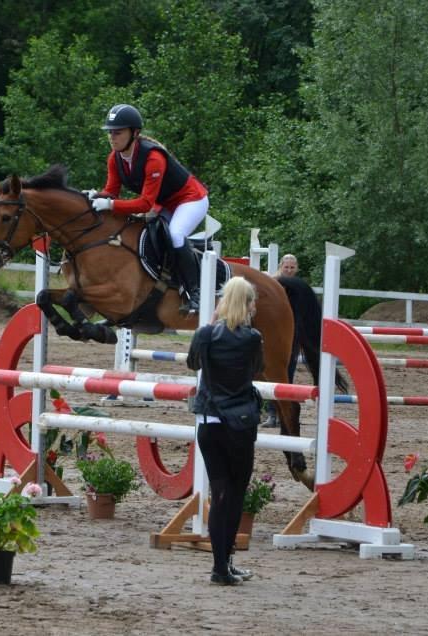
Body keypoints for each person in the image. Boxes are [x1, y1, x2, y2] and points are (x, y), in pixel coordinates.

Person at [89, 104, 209, 314]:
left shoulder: (153, 158)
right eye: (110, 132)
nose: (112, 137)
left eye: (118, 132)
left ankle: (195, 291)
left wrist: (109, 204)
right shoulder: (114, 159)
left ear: (134, 133)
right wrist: (94, 197)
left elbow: (144, 204)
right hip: (166, 203)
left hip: (190, 199)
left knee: (176, 234)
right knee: (145, 233)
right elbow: (111, 191)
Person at [186, 276, 262, 585]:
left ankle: (221, 567)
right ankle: (224, 563)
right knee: (235, 494)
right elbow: (257, 369)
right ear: (247, 304)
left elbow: (192, 364)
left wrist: (213, 322)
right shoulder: (252, 337)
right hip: (239, 423)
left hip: (209, 421)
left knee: (218, 493)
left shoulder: (205, 334)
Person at [264, 254, 300, 428]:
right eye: (287, 267)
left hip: (292, 337)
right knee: (271, 375)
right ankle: (272, 414)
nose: (289, 270)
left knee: (288, 375)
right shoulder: (272, 284)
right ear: (281, 266)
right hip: (273, 336)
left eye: (292, 267)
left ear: (297, 269)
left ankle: (285, 413)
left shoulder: (299, 288)